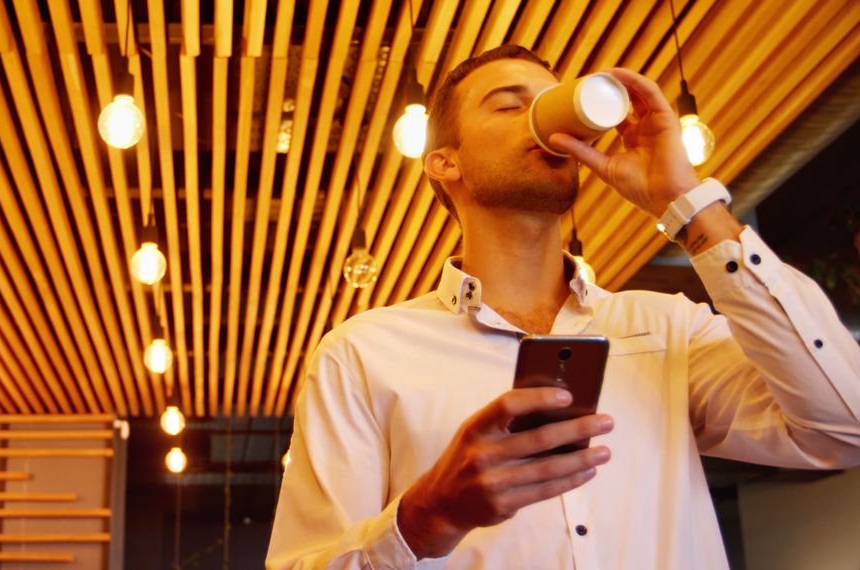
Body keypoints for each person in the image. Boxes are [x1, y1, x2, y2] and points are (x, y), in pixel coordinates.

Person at [266, 45, 860, 569]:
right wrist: (422, 521)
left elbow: (844, 427)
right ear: (445, 162)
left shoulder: (665, 328)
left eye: (553, 101)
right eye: (507, 103)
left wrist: (685, 201)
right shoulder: (364, 354)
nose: (545, 118)